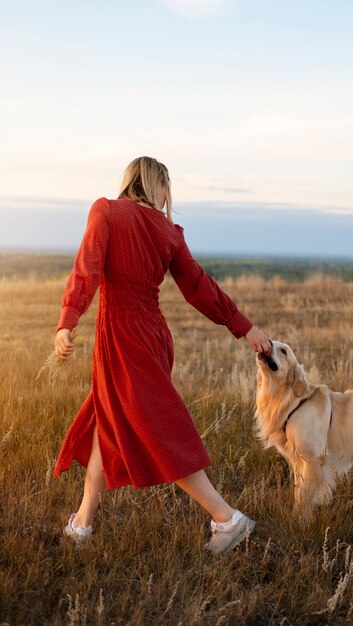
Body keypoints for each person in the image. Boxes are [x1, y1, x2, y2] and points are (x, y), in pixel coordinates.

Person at [53, 156, 271, 554]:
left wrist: (68, 321)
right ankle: (82, 523)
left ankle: (228, 519)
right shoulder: (168, 231)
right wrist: (244, 326)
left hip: (122, 335)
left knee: (156, 430)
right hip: (153, 335)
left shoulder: (106, 211)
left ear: (128, 181)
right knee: (109, 419)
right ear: (160, 188)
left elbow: (88, 270)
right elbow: (200, 287)